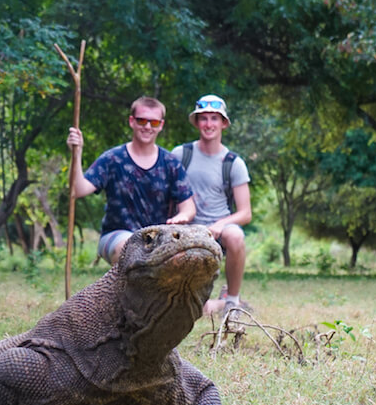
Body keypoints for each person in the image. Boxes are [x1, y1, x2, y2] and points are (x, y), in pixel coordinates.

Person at [66, 96, 196, 264]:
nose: (147, 127)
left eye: (154, 122)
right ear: (132, 121)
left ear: (161, 125)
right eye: (142, 121)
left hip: (159, 238)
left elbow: (189, 207)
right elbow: (77, 190)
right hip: (116, 236)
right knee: (130, 249)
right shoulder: (112, 159)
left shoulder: (171, 163)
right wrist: (76, 154)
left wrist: (182, 216)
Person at [171, 94, 252, 316]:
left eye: (214, 119)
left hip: (220, 229)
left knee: (236, 235)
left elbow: (245, 213)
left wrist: (219, 225)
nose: (209, 124)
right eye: (203, 118)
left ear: (223, 123)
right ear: (196, 122)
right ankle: (210, 303)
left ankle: (232, 301)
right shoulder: (180, 154)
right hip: (185, 228)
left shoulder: (233, 163)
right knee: (197, 309)